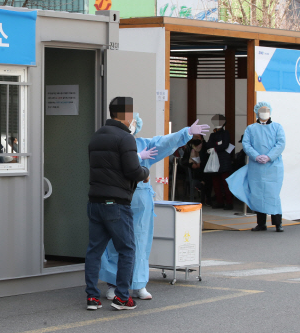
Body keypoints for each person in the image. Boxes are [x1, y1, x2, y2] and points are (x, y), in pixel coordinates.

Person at [99, 116, 209, 301]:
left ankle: (139, 284)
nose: (129, 124)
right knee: (115, 242)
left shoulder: (144, 144)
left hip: (140, 201)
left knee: (140, 243)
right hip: (117, 198)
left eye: (131, 121)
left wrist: (187, 132)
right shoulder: (111, 144)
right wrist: (136, 157)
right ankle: (114, 284)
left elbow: (164, 142)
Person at [85, 97, 150, 311]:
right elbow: (133, 170)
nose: (133, 119)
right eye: (131, 114)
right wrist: (145, 173)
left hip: (95, 201)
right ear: (125, 115)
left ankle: (92, 298)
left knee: (94, 250)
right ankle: (122, 297)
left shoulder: (96, 137)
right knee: (127, 249)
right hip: (116, 203)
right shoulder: (125, 138)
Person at [227, 102, 286, 232]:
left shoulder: (277, 127)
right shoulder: (250, 128)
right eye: (262, 110)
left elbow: (280, 144)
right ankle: (261, 223)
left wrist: (269, 156)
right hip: (256, 167)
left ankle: (278, 223)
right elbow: (246, 144)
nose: (264, 112)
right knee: (257, 194)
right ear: (257, 112)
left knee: (273, 195)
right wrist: (256, 156)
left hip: (273, 167)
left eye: (266, 110)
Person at [206, 114, 234, 210]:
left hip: (224, 160)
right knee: (216, 183)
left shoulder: (226, 132)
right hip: (215, 159)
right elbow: (208, 144)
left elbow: (225, 145)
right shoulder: (212, 134)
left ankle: (229, 202)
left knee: (226, 182)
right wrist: (218, 144)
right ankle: (220, 201)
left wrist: (215, 146)